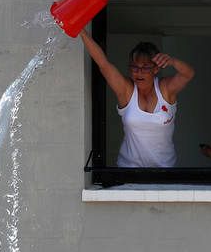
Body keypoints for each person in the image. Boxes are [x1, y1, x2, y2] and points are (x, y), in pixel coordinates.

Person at [79, 29, 194, 167]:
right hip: (128, 169)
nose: (139, 72)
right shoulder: (127, 90)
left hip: (164, 170)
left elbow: (188, 74)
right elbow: (103, 64)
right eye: (134, 67)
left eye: (145, 68)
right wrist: (81, 31)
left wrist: (172, 61)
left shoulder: (165, 89)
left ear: (156, 69)